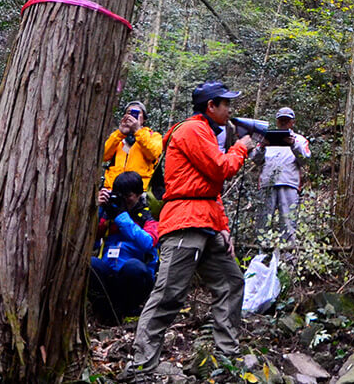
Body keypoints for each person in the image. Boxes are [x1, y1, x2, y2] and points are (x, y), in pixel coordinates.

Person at [128, 81, 255, 375]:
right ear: (211, 106)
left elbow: (211, 186)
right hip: (185, 221)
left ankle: (226, 359)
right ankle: (141, 365)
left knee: (231, 283)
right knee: (169, 294)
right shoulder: (192, 130)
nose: (230, 111)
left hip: (206, 221)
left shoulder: (205, 132)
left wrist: (223, 226)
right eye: (226, 104)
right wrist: (240, 148)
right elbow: (221, 169)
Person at [90, 170, 159, 322]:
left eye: (128, 196)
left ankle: (130, 312)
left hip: (135, 280)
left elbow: (148, 243)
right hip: (111, 276)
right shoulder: (109, 215)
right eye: (121, 196)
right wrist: (99, 208)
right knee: (90, 264)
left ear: (139, 194)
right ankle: (106, 313)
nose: (124, 201)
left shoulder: (147, 218)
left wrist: (122, 217)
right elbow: (91, 241)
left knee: (133, 267)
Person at [253, 106, 311, 242]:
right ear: (277, 121)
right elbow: (256, 159)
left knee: (288, 223)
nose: (284, 122)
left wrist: (293, 144)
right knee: (263, 221)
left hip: (289, 184)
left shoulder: (299, 140)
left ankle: (288, 258)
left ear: (293, 122)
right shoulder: (266, 137)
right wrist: (262, 146)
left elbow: (305, 159)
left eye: (287, 120)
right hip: (267, 184)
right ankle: (262, 255)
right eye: (281, 120)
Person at [103, 101, 163, 192]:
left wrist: (137, 131)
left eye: (137, 113)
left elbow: (153, 154)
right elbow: (104, 156)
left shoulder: (153, 136)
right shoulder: (117, 137)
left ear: (144, 119)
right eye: (129, 113)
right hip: (113, 189)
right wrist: (120, 133)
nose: (132, 116)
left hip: (139, 192)